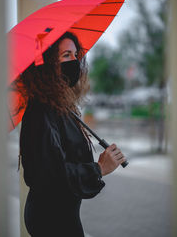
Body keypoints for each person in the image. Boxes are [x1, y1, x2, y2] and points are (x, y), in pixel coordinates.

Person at [16, 31, 126, 237]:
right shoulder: (40, 111)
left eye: (76, 55)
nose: (74, 61)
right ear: (48, 64)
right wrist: (99, 168)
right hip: (51, 220)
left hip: (63, 213)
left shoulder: (57, 106)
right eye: (66, 55)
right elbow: (50, 175)